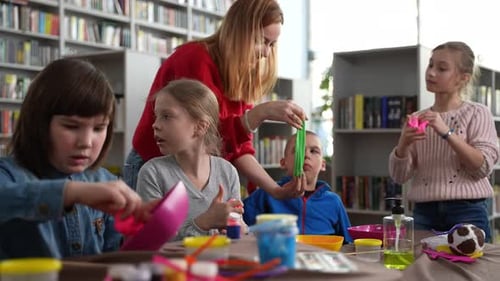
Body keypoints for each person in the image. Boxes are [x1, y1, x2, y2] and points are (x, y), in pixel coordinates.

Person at [124, 0, 307, 200]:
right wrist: (259, 114)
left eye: (272, 44)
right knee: (160, 232)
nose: (266, 53)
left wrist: (275, 190)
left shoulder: (240, 76)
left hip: (192, 170)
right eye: (262, 41)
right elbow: (205, 136)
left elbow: (238, 149)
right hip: (155, 166)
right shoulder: (195, 59)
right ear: (240, 33)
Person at [0, 58, 156, 259]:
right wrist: (72, 193)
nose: (86, 142)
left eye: (99, 128)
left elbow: (113, 258)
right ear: (38, 124)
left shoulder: (106, 181)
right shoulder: (8, 174)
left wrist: (141, 229)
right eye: (71, 126)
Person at [388, 41, 500, 242]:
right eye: (430, 65)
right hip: (424, 212)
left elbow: (482, 167)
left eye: (441, 68)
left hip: (468, 211)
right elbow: (399, 176)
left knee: (471, 271)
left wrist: (446, 132)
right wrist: (403, 145)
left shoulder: (478, 113)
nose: (431, 73)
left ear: (463, 79)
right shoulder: (417, 117)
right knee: (422, 270)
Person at [136, 79, 245, 240]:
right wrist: (203, 223)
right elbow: (153, 240)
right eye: (156, 116)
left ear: (200, 126)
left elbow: (238, 228)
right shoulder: (153, 173)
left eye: (166, 116)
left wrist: (238, 228)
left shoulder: (227, 172)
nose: (155, 125)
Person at [243, 130, 353, 243]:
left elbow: (348, 243)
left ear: (323, 165)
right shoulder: (267, 193)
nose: (306, 155)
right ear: (283, 162)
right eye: (298, 150)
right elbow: (239, 223)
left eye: (314, 151)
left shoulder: (333, 201)